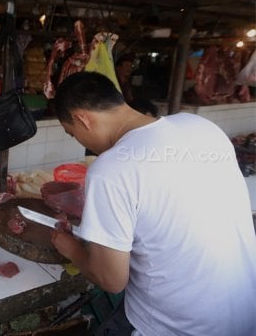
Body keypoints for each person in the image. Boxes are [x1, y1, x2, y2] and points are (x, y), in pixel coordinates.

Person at [50, 71, 256, 336]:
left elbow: (111, 280)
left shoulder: (111, 168)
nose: (78, 141)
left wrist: (72, 249)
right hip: (245, 311)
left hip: (179, 327)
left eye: (71, 133)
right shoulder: (200, 126)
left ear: (83, 119)